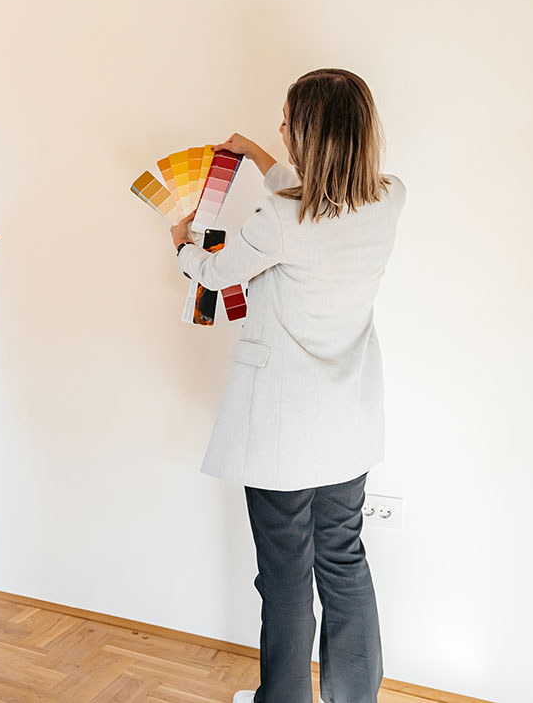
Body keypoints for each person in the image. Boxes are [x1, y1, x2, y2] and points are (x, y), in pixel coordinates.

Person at [171, 68, 406, 703]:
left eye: (286, 121)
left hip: (280, 433)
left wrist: (180, 246)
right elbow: (318, 200)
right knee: (344, 561)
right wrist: (256, 155)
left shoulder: (278, 219)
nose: (279, 128)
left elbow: (217, 272)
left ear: (311, 133)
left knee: (284, 577)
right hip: (348, 425)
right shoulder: (389, 199)